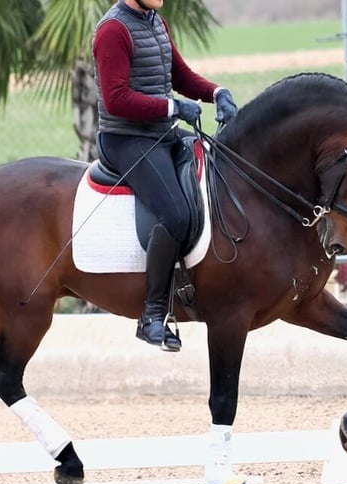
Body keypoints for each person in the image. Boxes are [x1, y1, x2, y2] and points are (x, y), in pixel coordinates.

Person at [92, 0, 238, 352]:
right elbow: (116, 98)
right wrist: (173, 107)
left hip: (161, 131)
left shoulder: (156, 21)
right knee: (175, 213)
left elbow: (182, 76)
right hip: (125, 140)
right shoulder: (113, 30)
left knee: (218, 166)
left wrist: (218, 93)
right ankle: (153, 314)